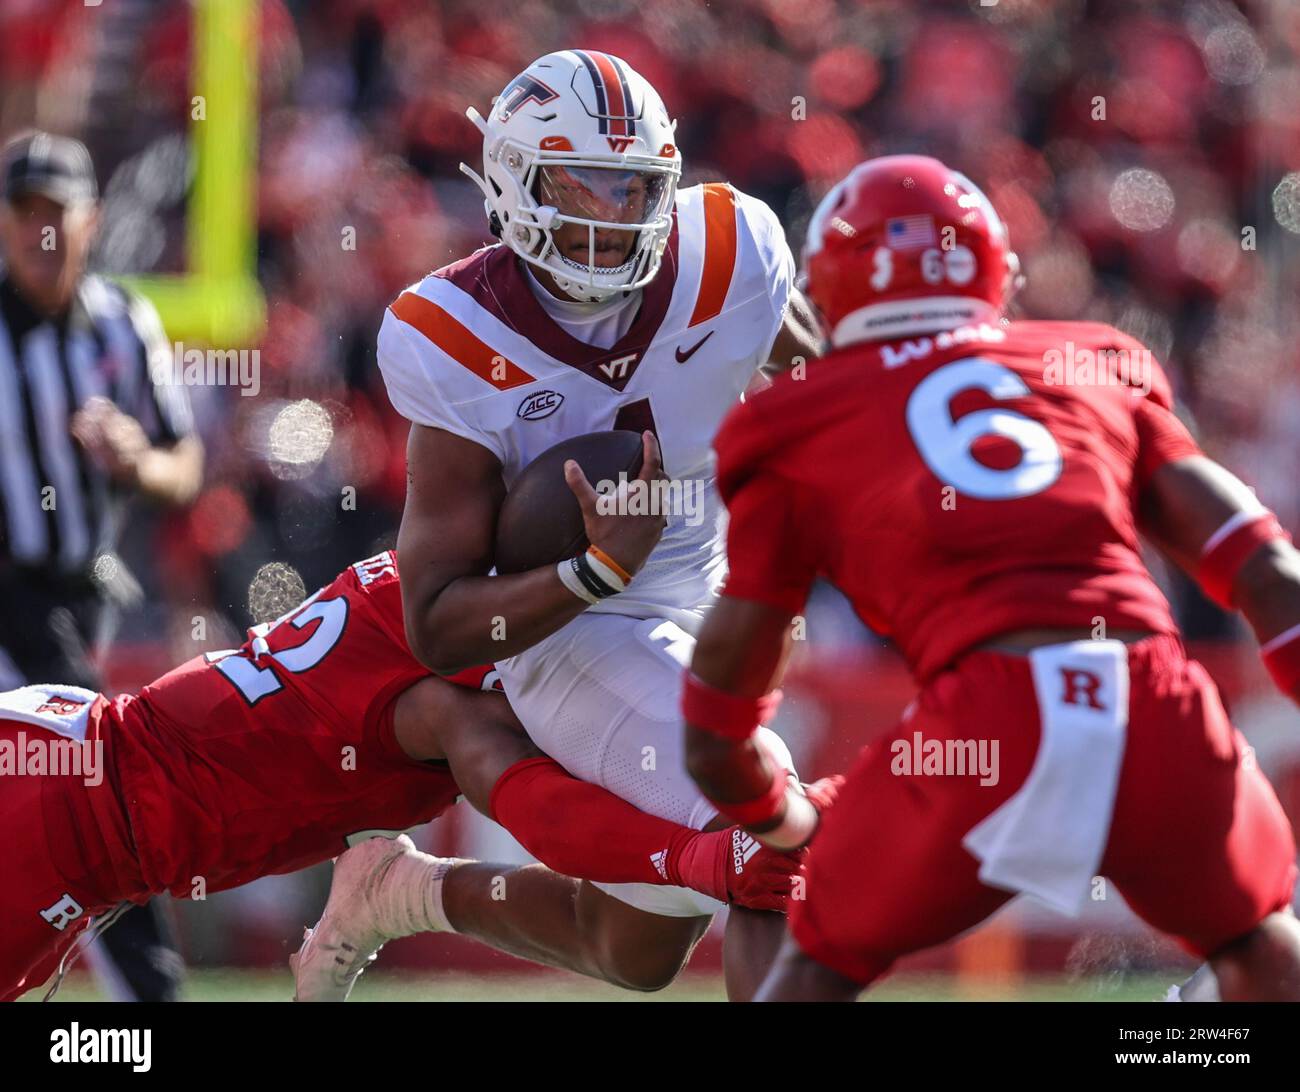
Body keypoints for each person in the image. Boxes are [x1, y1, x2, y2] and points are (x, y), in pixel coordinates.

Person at [681, 155, 1300, 1002]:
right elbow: (1268, 573)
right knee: (1263, 956)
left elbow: (719, 720)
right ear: (993, 270)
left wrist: (776, 818)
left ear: (828, 293)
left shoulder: (793, 420)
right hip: (1151, 700)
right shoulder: (1093, 363)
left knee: (814, 966)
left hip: (986, 721)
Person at [300, 49, 825, 1002]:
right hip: (569, 624)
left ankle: (399, 894)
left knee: (632, 951)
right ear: (509, 181)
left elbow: (802, 364)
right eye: (580, 185)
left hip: (707, 589)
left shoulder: (733, 249)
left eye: (633, 189)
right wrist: (593, 575)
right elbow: (438, 619)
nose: (607, 217)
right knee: (762, 827)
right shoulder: (452, 331)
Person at [1, 549, 798, 1002]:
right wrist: (700, 861)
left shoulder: (461, 617)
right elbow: (510, 783)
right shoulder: (446, 678)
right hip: (68, 806)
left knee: (639, 950)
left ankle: (400, 892)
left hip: (92, 813)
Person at [0, 130, 203, 1002]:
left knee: (78, 799)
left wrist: (132, 462)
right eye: (26, 213)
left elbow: (182, 464)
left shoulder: (125, 322)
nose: (43, 234)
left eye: (59, 214)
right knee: (94, 790)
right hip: (9, 596)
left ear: (92, 221)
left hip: (83, 595)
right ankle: (149, 995)